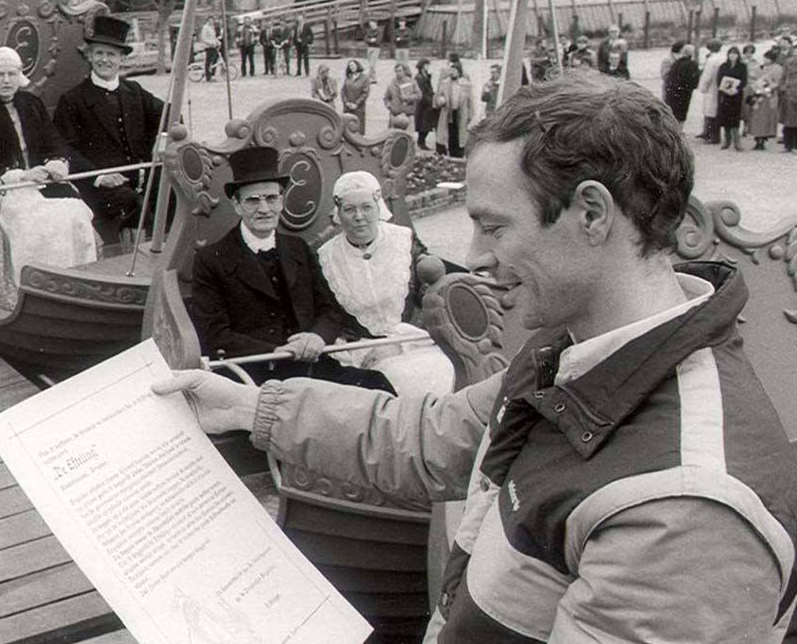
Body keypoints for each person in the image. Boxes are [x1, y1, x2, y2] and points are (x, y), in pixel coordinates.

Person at [156, 72, 797, 643]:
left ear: (593, 213)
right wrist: (249, 405)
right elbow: (438, 436)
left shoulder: (683, 511)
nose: (477, 257)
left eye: (493, 227)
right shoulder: (576, 354)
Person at [189, 146, 394, 391]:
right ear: (237, 205)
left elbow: (329, 310)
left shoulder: (297, 248)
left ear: (282, 200)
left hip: (310, 367)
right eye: (253, 200)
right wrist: (275, 351)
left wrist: (317, 337)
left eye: (271, 198)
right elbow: (215, 334)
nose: (264, 209)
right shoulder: (211, 259)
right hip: (254, 375)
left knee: (377, 387)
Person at [0, 47, 97, 309]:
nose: (7, 80)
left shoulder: (31, 104)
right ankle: (35, 292)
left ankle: (77, 281)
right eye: (0, 74)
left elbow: (53, 141)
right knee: (29, 221)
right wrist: (22, 174)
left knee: (75, 211)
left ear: (20, 75)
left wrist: (56, 162)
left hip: (42, 181)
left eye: (12, 73)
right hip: (7, 187)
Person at [316, 172, 454, 400]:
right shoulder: (326, 257)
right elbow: (330, 315)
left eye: (366, 207)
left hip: (412, 340)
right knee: (390, 381)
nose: (359, 216)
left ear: (378, 207)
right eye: (349, 209)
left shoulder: (403, 241)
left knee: (440, 371)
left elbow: (429, 295)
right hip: (361, 350)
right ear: (339, 213)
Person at [54, 15, 165, 244]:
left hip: (140, 177)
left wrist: (161, 141)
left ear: (122, 59)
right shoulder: (73, 99)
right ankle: (131, 263)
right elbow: (65, 149)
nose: (104, 60)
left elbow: (169, 115)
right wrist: (100, 177)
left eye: (111, 54)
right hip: (98, 187)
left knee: (172, 194)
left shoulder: (134, 91)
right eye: (99, 53)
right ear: (90, 56)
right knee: (133, 203)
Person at [433, 59, 473, 157]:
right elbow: (437, 97)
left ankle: (458, 153)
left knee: (460, 134)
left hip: (461, 113)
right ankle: (448, 151)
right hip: (448, 113)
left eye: (454, 71)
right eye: (451, 70)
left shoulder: (466, 84)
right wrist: (440, 100)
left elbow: (470, 101)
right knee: (449, 133)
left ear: (459, 72)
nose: (452, 73)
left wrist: (470, 115)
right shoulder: (445, 83)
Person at [747, 47, 782, 149]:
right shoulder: (759, 67)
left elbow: (777, 82)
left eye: (767, 58)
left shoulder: (778, 68)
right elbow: (752, 78)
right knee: (756, 117)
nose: (764, 60)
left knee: (766, 118)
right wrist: (755, 86)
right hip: (758, 95)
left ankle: (763, 138)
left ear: (771, 59)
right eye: (764, 58)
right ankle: (757, 138)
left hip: (769, 96)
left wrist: (769, 87)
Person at [716, 45, 748, 151]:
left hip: (736, 95)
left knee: (735, 118)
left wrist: (737, 89)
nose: (732, 56)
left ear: (738, 55)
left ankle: (737, 141)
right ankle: (727, 140)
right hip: (725, 95)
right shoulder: (723, 66)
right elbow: (719, 79)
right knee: (725, 118)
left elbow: (744, 80)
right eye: (731, 54)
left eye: (735, 54)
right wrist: (724, 89)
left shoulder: (742, 66)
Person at [663, 40, 700, 129]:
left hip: (672, 92)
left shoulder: (676, 63)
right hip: (684, 93)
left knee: (673, 113)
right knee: (681, 115)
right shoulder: (692, 64)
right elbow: (694, 81)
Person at [697, 39, 725, 144]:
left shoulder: (711, 59)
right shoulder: (723, 57)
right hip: (720, 87)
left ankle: (711, 135)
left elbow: (707, 76)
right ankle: (711, 134)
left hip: (711, 88)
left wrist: (702, 87)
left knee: (710, 111)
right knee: (715, 111)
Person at [382, 62, 420, 130]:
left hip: (408, 115)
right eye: (396, 71)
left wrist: (408, 98)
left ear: (404, 71)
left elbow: (419, 95)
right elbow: (386, 98)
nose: (397, 73)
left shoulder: (412, 83)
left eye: (399, 71)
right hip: (395, 115)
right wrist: (388, 104)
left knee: (408, 137)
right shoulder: (392, 84)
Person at [340, 59, 371, 135]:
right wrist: (346, 102)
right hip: (347, 107)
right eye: (350, 66)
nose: (352, 67)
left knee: (358, 128)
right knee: (347, 127)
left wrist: (356, 104)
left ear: (357, 65)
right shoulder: (348, 77)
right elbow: (343, 91)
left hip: (358, 108)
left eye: (353, 65)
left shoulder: (364, 78)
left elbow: (365, 93)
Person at [778, 36, 797, 151]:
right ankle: (788, 144)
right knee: (788, 120)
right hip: (789, 94)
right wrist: (782, 88)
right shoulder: (788, 62)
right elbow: (783, 77)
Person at [413, 58, 437, 149]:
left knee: (426, 125)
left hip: (427, 104)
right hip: (423, 105)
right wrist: (429, 100)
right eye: (427, 65)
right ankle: (421, 142)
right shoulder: (419, 77)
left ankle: (421, 141)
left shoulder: (425, 76)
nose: (428, 67)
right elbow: (421, 91)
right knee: (423, 125)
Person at [198, 16, 220, 82]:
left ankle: (213, 74)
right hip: (208, 46)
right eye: (210, 20)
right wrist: (211, 43)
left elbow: (213, 37)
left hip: (213, 46)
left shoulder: (212, 28)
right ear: (207, 20)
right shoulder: (205, 28)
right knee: (209, 61)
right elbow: (203, 38)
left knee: (215, 59)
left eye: (212, 20)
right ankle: (208, 76)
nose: (212, 21)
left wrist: (217, 42)